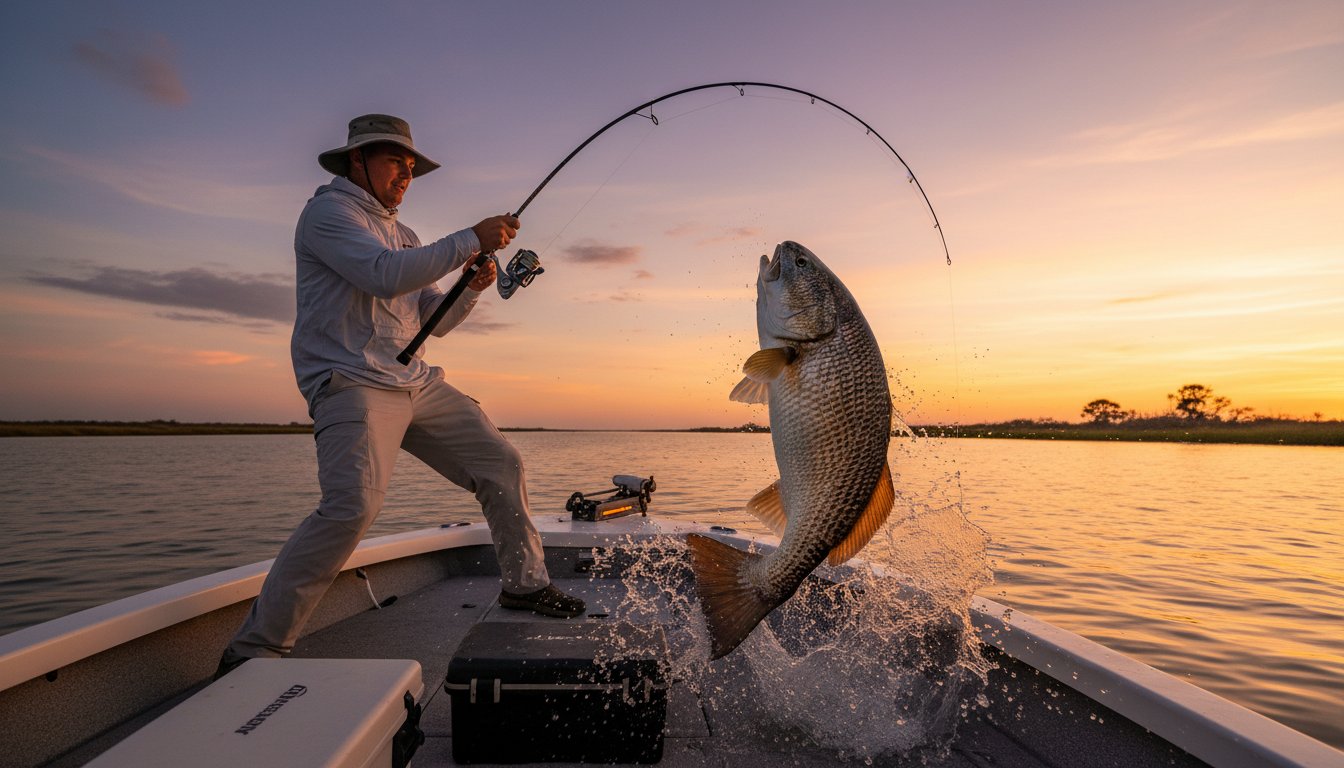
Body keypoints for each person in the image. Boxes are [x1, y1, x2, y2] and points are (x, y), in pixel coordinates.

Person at [217, 114, 583, 677]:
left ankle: (525, 585)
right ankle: (255, 650)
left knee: (502, 463)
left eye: (412, 168)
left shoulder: (405, 234)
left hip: (413, 379)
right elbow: (385, 275)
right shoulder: (328, 214)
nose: (406, 175)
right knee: (353, 507)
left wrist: (472, 286)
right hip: (350, 381)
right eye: (395, 162)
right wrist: (470, 238)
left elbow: (430, 323)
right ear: (356, 161)